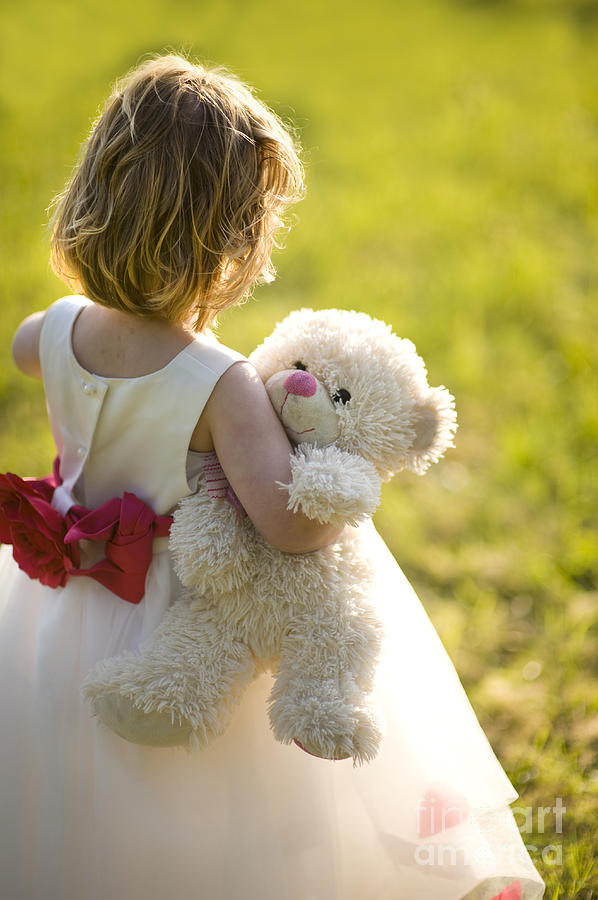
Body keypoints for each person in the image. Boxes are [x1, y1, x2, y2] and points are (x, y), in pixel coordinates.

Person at [0, 54, 545, 900]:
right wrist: (345, 482)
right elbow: (288, 524)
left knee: (67, 775)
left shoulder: (58, 328)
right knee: (200, 807)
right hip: (179, 622)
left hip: (60, 602)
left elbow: (22, 350)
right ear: (230, 239)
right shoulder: (218, 383)